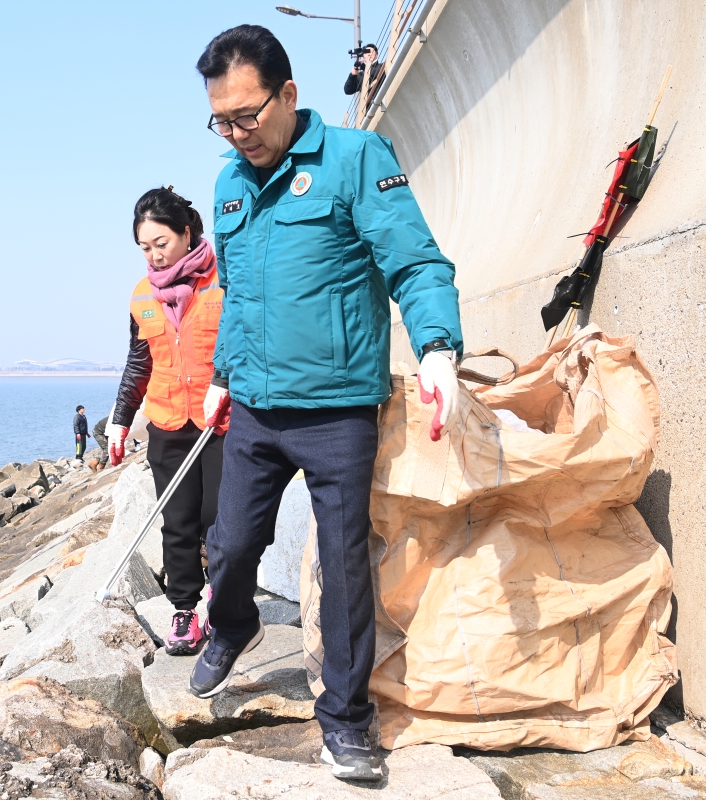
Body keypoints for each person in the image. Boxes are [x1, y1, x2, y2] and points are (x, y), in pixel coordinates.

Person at [191, 25, 463, 782]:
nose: (237, 134)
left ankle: (345, 722)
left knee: (343, 569)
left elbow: (414, 261)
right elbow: (238, 295)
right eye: (221, 121)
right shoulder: (229, 185)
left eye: (247, 115)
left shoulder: (355, 160)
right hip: (255, 408)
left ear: (288, 94)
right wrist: (222, 374)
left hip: (338, 409)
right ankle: (233, 626)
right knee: (230, 544)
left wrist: (438, 347)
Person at [106, 187, 227, 656]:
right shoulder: (142, 295)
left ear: (187, 232)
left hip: (222, 422)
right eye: (145, 248)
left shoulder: (224, 278)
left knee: (221, 520)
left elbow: (248, 341)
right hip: (168, 422)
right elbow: (139, 362)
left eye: (162, 243)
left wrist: (228, 383)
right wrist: (120, 420)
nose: (154, 256)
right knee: (177, 523)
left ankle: (223, 599)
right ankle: (184, 609)